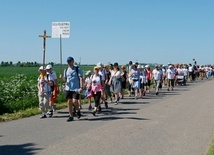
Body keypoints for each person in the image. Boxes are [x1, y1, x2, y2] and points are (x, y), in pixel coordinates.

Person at [63, 57, 83, 122]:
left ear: (73, 61)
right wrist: (62, 78)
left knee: (75, 101)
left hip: (76, 88)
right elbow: (65, 80)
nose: (69, 63)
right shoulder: (66, 70)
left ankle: (77, 110)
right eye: (68, 61)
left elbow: (80, 78)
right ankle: (70, 115)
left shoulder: (77, 69)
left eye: (70, 61)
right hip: (68, 88)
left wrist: (81, 87)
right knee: (69, 102)